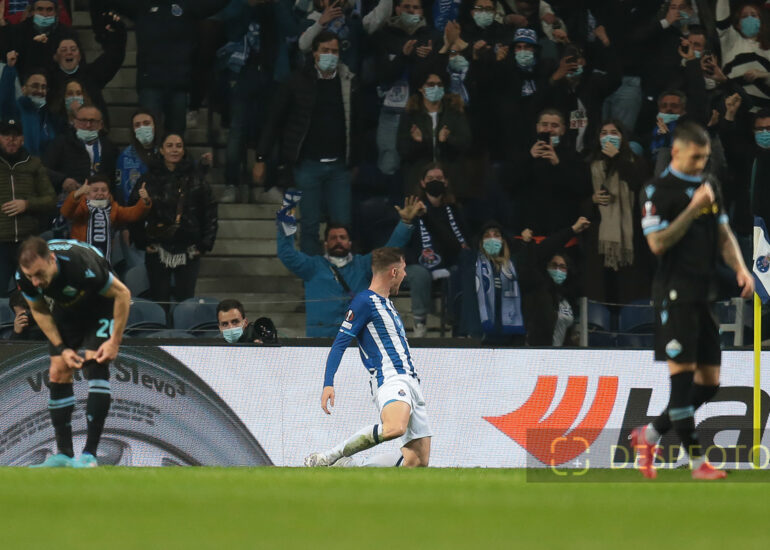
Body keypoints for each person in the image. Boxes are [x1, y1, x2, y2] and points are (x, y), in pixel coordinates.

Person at [630, 121, 754, 480]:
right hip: (674, 295)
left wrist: (741, 268)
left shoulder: (708, 183)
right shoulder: (656, 190)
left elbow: (723, 232)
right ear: (676, 152)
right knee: (682, 386)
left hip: (704, 295)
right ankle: (698, 463)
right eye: (696, 157)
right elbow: (657, 244)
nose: (701, 164)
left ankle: (648, 435)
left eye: (705, 157)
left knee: (710, 384)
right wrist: (693, 208)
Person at [304, 246, 431, 468]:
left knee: (417, 461)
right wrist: (328, 383)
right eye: (403, 270)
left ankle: (350, 467)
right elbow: (339, 344)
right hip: (390, 377)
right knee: (394, 427)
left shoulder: (387, 304)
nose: (405, 275)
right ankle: (329, 457)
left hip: (411, 381)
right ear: (393, 272)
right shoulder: (365, 301)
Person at [15, 236, 132, 467]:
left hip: (101, 305)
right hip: (67, 309)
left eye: (39, 274)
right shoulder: (24, 276)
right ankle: (64, 455)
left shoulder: (82, 266)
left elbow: (123, 294)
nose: (35, 282)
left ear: (52, 259)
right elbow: (38, 309)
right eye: (30, 276)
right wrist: (61, 348)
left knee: (96, 363)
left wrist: (114, 341)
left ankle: (90, 455)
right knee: (58, 370)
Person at [254, 30, 360, 255]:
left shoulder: (349, 81)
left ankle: (341, 271)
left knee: (343, 225)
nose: (330, 55)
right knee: (309, 225)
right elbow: (275, 120)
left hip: (339, 167)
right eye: (325, 50)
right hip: (307, 166)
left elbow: (358, 123)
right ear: (314, 53)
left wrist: (355, 160)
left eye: (334, 51)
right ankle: (312, 273)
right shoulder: (296, 81)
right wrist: (261, 157)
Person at [277, 190, 424, 337]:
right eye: (333, 238)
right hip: (320, 341)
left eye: (343, 237)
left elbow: (390, 251)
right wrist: (286, 217)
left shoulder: (363, 265)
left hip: (357, 340)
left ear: (349, 243)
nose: (338, 241)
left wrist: (405, 223)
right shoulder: (312, 267)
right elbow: (286, 253)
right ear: (325, 244)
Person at [131, 133, 217, 307]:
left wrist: (204, 245)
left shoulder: (196, 179)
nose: (174, 150)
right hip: (157, 249)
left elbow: (210, 213)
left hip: (189, 249)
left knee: (185, 303)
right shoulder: (147, 180)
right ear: (161, 150)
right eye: (169, 146)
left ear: (184, 150)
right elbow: (134, 212)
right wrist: (141, 241)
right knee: (159, 301)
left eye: (178, 146)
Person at [583, 120, 652, 304]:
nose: (609, 137)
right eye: (604, 133)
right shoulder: (589, 165)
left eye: (614, 133)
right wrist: (592, 200)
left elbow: (640, 184)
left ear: (623, 138)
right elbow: (578, 201)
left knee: (629, 292)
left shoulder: (637, 163)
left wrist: (618, 159)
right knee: (602, 291)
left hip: (631, 237)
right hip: (599, 239)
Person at [404, 163, 467, 336]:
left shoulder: (455, 210)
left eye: (439, 178)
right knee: (419, 273)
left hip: (449, 264)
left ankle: (458, 325)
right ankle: (420, 324)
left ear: (446, 182)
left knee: (462, 269)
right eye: (430, 178)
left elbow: (459, 244)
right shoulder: (412, 209)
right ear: (422, 183)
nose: (435, 181)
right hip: (417, 265)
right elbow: (404, 245)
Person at [0, 118, 56, 296]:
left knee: (32, 290)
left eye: (16, 136)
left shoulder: (34, 164)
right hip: (1, 241)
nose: (11, 140)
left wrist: (27, 204)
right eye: (6, 135)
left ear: (22, 139)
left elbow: (51, 199)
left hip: (27, 241)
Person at [59, 173, 151, 260]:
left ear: (109, 193)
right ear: (87, 194)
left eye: (104, 190)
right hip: (81, 258)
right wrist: (77, 193)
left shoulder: (113, 208)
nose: (100, 193)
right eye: (95, 190)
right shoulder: (81, 207)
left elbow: (133, 214)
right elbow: (66, 211)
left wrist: (145, 201)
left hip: (104, 259)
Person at [44, 105, 118, 195]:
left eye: (93, 121)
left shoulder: (110, 147)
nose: (88, 125)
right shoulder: (61, 143)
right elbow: (43, 170)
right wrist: (62, 180)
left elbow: (114, 178)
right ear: (74, 122)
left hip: (100, 198)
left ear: (101, 124)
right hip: (71, 197)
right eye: (83, 120)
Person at [0, 58, 61, 156]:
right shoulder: (15, 110)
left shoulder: (48, 117)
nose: (40, 91)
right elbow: (5, 99)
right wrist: (10, 69)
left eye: (43, 87)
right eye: (35, 86)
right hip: (20, 164)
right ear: (23, 89)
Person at [116, 109, 158, 205]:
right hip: (133, 208)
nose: (142, 128)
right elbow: (119, 189)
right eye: (137, 125)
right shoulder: (125, 156)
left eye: (146, 123)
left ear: (155, 126)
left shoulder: (164, 152)